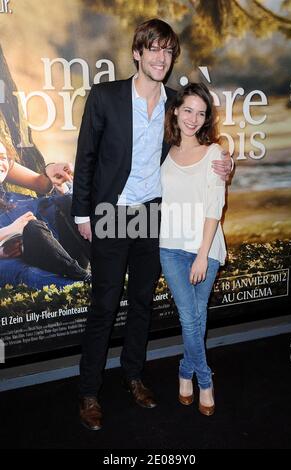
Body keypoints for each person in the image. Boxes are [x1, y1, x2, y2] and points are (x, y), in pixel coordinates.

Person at [72, 18, 232, 431]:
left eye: (168, 51)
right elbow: (86, 156)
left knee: (141, 303)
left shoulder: (176, 103)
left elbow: (201, 141)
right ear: (137, 53)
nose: (162, 58)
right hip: (111, 214)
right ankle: (89, 391)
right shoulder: (105, 96)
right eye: (154, 49)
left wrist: (226, 161)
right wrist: (82, 213)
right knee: (104, 307)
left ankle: (133, 376)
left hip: (150, 216)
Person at [160, 82, 227, 416]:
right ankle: (204, 378)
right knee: (191, 317)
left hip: (206, 247)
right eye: (188, 110)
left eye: (201, 113)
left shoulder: (215, 153)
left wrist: (202, 254)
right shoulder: (164, 152)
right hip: (170, 247)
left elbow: (215, 205)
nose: (193, 118)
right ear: (175, 110)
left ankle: (187, 371)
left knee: (195, 318)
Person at [0, 141, 90, 289]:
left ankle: (107, 273)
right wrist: (10, 232)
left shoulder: (13, 197)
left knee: (69, 201)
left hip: (56, 251)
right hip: (19, 257)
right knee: (25, 265)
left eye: (3, 157)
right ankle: (84, 283)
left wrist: (51, 170)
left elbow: (41, 184)